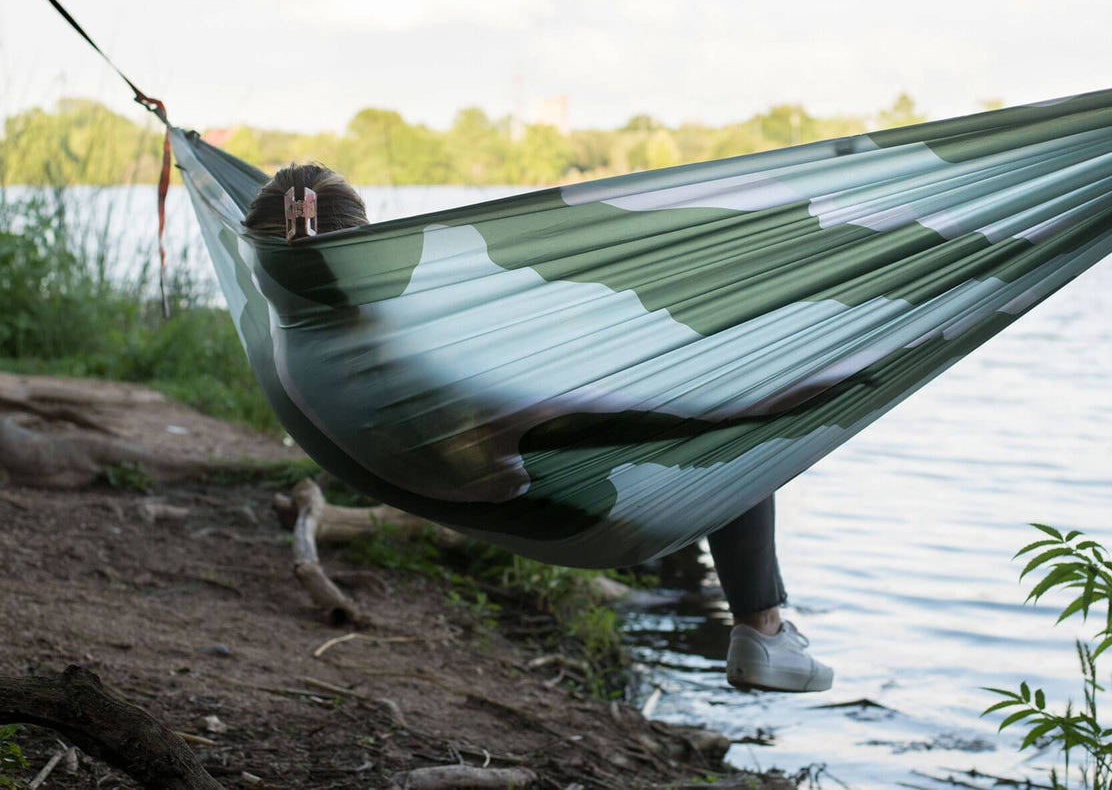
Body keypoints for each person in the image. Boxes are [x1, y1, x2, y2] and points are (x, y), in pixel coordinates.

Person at [243, 163, 833, 694]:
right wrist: (750, 408)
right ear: (362, 250)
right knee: (744, 435)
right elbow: (552, 418)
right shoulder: (403, 354)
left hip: (415, 469)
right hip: (529, 495)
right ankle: (763, 628)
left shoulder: (297, 334)